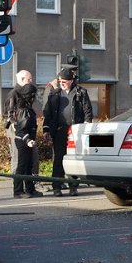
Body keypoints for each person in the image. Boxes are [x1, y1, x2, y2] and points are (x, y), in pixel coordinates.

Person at [43, 66, 93, 196]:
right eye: (60, 81)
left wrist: (86, 127)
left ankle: (73, 186)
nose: (61, 84)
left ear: (71, 81)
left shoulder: (80, 92)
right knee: (59, 158)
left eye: (64, 81)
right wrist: (46, 129)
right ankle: (57, 186)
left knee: (74, 159)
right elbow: (48, 113)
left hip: (75, 131)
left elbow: (88, 111)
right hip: (59, 130)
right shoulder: (55, 93)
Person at [11, 82, 43, 198]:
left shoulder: (25, 108)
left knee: (28, 166)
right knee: (22, 166)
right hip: (23, 141)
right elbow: (21, 130)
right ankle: (18, 191)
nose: (35, 97)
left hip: (26, 141)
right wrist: (28, 140)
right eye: (34, 95)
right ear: (30, 96)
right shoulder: (24, 109)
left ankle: (30, 190)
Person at [4, 70, 39, 175]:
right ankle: (18, 184)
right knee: (18, 157)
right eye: (29, 79)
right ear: (22, 79)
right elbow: (9, 112)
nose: (31, 81)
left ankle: (30, 183)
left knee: (31, 156)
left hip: (25, 127)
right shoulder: (14, 93)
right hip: (16, 128)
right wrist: (14, 123)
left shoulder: (27, 92)